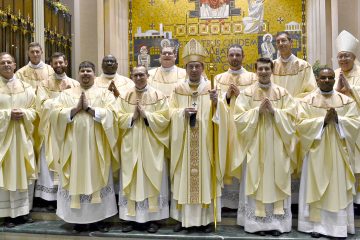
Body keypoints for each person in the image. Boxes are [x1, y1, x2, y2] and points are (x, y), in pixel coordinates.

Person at [49, 61, 119, 232]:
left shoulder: (105, 94)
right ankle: (77, 220)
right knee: (75, 177)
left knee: (98, 177)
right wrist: (74, 109)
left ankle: (99, 219)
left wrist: (90, 109)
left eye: (89, 70)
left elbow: (114, 114)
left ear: (94, 74)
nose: (85, 74)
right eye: (82, 71)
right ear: (78, 74)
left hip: (97, 146)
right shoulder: (66, 94)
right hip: (73, 147)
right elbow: (54, 114)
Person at [233, 57, 297, 236]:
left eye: (266, 69)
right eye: (260, 69)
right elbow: (237, 118)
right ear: (255, 71)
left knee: (278, 180)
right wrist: (256, 112)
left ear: (272, 70)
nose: (263, 72)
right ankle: (257, 224)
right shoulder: (246, 94)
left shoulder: (282, 93)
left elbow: (293, 118)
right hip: (254, 144)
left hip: (277, 145)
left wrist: (275, 112)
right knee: (257, 180)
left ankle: (277, 224)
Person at [297, 67, 359, 239]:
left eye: (330, 78)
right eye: (323, 78)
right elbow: (300, 124)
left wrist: (338, 119)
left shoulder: (346, 101)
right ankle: (315, 226)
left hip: (338, 151)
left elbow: (355, 123)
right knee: (316, 186)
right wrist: (322, 121)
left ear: (334, 79)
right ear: (317, 80)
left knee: (336, 186)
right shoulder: (307, 101)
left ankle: (337, 227)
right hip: (315, 150)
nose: (326, 81)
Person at [169, 38, 221, 233]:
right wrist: (181, 113)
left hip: (204, 145)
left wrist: (217, 104)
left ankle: (206, 220)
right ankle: (183, 220)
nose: (194, 70)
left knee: (205, 181)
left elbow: (220, 118)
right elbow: (169, 112)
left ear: (202, 67)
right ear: (186, 68)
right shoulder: (178, 89)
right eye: (190, 66)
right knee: (184, 180)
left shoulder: (211, 89)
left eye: (197, 66)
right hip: (184, 144)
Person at [117, 65, 170, 233]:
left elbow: (165, 119)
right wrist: (132, 117)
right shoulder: (125, 96)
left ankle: (153, 219)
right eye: (136, 75)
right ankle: (129, 218)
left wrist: (146, 115)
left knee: (152, 179)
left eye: (142, 74)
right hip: (130, 144)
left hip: (151, 145)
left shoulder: (158, 95)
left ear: (148, 75)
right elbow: (117, 118)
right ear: (131, 76)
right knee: (131, 179)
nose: (139, 77)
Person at [213, 44, 256, 209]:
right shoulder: (219, 78)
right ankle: (226, 201)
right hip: (225, 124)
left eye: (238, 55)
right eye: (231, 55)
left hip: (244, 125)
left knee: (242, 157)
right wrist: (227, 96)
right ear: (227, 57)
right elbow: (215, 102)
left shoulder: (252, 78)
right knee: (226, 155)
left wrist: (241, 96)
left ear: (243, 57)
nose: (235, 58)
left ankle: (241, 198)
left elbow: (255, 99)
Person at [34, 52, 79, 209]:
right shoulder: (44, 84)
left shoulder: (74, 84)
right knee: (49, 160)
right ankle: (50, 197)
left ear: (66, 63)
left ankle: (66, 192)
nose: (58, 65)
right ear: (51, 65)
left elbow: (78, 105)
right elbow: (42, 105)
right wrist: (62, 98)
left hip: (68, 127)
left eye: (61, 62)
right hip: (51, 128)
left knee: (68, 159)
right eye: (55, 63)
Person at [0, 52, 37, 228]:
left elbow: (35, 111)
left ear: (15, 65)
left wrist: (24, 113)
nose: (6, 65)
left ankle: (23, 212)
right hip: (3, 142)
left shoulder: (26, 87)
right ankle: (7, 214)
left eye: (9, 62)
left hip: (22, 137)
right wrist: (7, 115)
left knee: (23, 173)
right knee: (6, 175)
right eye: (3, 63)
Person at [334, 30, 360, 205]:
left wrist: (351, 90)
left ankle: (357, 200)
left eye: (346, 56)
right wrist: (336, 89)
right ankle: (343, 196)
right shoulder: (334, 74)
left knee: (357, 161)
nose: (343, 60)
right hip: (338, 124)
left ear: (354, 57)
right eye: (340, 56)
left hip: (356, 123)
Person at [273, 32, 316, 98]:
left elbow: (311, 91)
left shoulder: (303, 66)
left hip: (297, 106)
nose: (280, 44)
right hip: (276, 107)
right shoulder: (272, 66)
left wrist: (294, 102)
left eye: (283, 40)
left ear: (291, 42)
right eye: (278, 42)